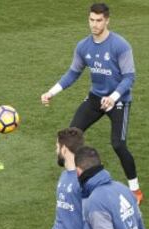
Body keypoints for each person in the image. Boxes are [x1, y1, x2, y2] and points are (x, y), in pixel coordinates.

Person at [40, 3, 143, 204]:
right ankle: (78, 181)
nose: (94, 25)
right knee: (70, 138)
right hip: (95, 99)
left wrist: (113, 97)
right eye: (91, 20)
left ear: (107, 21)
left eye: (98, 21)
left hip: (118, 100)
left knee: (118, 144)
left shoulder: (120, 45)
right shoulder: (83, 46)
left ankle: (135, 190)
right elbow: (73, 73)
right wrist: (51, 92)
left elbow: (129, 77)